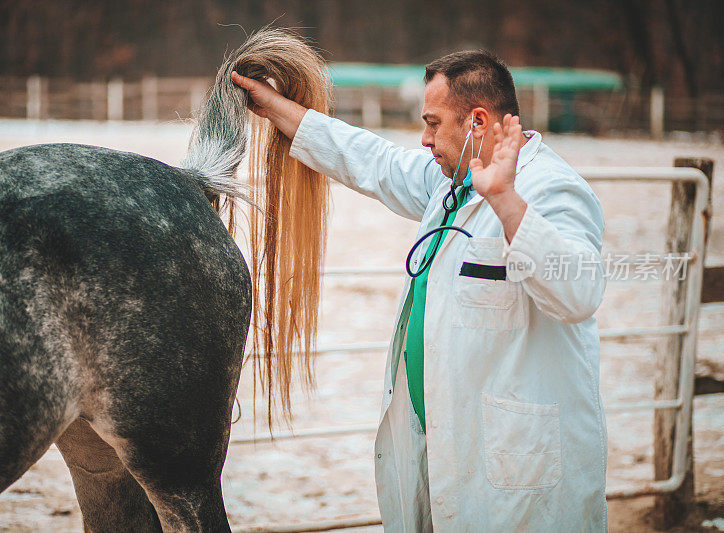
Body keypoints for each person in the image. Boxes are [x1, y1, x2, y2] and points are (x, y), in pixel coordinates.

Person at [231, 48, 608, 532]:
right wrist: (274, 106)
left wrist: (505, 200)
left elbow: (578, 293)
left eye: (433, 123)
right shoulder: (452, 183)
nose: (424, 139)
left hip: (514, 463)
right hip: (441, 439)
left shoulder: (553, 188)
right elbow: (373, 160)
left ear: (477, 120)